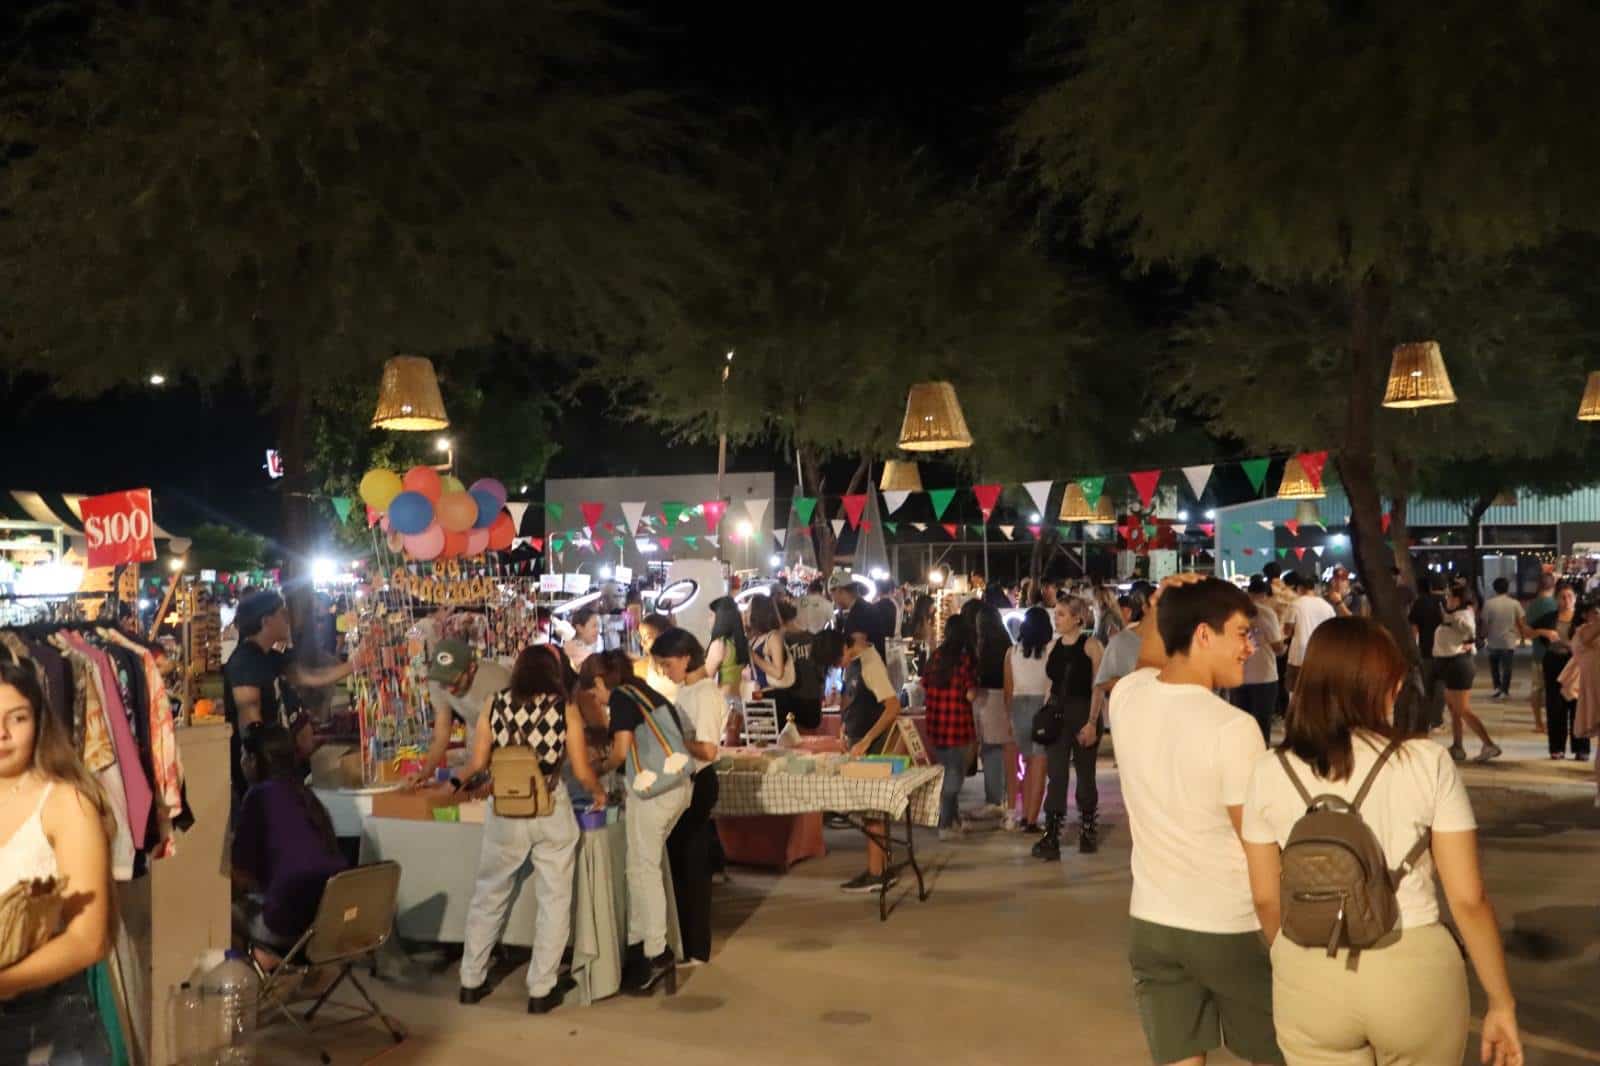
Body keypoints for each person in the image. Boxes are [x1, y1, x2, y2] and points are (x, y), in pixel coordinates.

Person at [1241, 617, 1523, 1066]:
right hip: (1410, 964)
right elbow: (1468, 899)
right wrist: (1501, 1002)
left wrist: (1297, 960)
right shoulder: (1425, 762)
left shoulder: (1268, 770)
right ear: (1383, 685)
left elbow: (1264, 898)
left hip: (1307, 969)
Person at [1115, 576, 1281, 1066]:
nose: (1250, 648)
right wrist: (1282, 938)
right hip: (1229, 927)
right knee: (1278, 1054)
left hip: (1153, 924)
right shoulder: (1233, 728)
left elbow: (1148, 657)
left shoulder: (1129, 697)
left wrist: (1161, 603)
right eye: (1242, 634)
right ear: (1204, 635)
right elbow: (1259, 850)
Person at [457, 645, 604, 1014]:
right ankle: (541, 988)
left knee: (489, 894)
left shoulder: (494, 703)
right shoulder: (564, 708)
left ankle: (470, 980)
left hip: (504, 809)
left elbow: (476, 762)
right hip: (549, 807)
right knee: (554, 900)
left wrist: (453, 785)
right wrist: (599, 792)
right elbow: (583, 771)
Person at [0, 661, 116, 1063]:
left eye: (17, 717)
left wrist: (4, 981)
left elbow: (90, 939)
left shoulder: (66, 803)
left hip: (50, 1021)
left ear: (39, 722)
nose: (2, 734)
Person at [589, 650, 701, 994]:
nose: (594, 697)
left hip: (654, 792)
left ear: (599, 680)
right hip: (678, 785)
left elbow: (621, 752)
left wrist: (595, 771)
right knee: (639, 866)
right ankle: (641, 947)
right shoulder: (643, 692)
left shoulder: (623, 696)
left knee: (644, 868)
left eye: (593, 690)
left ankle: (655, 952)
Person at [232, 723, 348, 965]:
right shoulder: (307, 795)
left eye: (243, 755)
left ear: (254, 760)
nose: (241, 762)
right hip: (329, 923)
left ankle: (261, 972)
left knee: (222, 911)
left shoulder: (257, 798)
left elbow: (240, 877)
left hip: (286, 925)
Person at [223, 590, 352, 796]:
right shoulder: (245, 661)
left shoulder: (269, 656)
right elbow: (249, 716)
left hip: (280, 765)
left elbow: (310, 676)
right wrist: (264, 763)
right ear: (266, 621)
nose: (287, 620)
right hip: (265, 771)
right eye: (282, 615)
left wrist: (357, 663)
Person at [650, 629, 726, 967]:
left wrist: (671, 740)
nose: (666, 671)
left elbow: (708, 748)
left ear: (685, 657)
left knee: (692, 866)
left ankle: (697, 948)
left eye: (667, 664)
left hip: (699, 780)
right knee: (682, 862)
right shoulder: (688, 691)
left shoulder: (705, 694)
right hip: (687, 779)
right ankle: (687, 944)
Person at [813, 628, 902, 892]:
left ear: (844, 648)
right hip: (861, 743)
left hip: (874, 747)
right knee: (870, 810)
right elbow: (851, 699)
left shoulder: (869, 663)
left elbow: (893, 706)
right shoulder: (854, 662)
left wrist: (866, 739)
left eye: (834, 660)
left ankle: (878, 874)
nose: (836, 666)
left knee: (872, 809)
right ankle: (880, 868)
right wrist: (845, 730)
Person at [1036, 597, 1105, 860]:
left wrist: (1092, 721)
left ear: (1077, 618)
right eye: (1056, 614)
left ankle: (1088, 829)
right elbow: (1050, 684)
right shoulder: (1052, 646)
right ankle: (1052, 833)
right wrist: (1045, 712)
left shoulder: (1091, 646)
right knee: (1056, 774)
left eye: (1062, 614)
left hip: (1082, 711)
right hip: (1057, 714)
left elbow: (1097, 686)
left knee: (1086, 774)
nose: (1057, 618)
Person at [408, 638, 514, 788]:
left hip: (508, 749)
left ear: (471, 668)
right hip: (477, 748)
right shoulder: (438, 683)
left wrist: (458, 780)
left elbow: (509, 736)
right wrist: (425, 772)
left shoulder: (496, 681)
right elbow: (441, 733)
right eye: (444, 682)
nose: (449, 689)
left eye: (455, 681)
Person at [922, 617, 979, 840]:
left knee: (948, 771)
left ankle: (953, 820)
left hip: (936, 724)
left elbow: (924, 684)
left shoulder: (935, 656)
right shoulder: (965, 660)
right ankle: (944, 824)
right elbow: (970, 694)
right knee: (954, 776)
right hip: (957, 725)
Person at [1437, 581, 1500, 763]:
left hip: (1459, 665)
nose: (1447, 599)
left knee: (1462, 709)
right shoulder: (1455, 614)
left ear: (1457, 599)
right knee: (1454, 708)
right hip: (1451, 664)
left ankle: (1489, 744)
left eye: (1449, 596)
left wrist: (1469, 638)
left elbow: (1469, 629)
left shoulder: (1462, 615)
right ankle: (1458, 746)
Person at [1005, 607, 1055, 832]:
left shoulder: (1011, 652)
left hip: (1017, 708)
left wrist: (1009, 719)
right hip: (1040, 708)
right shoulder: (1050, 650)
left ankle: (1024, 814)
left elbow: (1008, 689)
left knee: (1026, 764)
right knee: (1039, 766)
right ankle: (1032, 820)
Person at [966, 602, 1014, 821]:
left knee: (990, 749)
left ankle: (995, 799)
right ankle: (1002, 797)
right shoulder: (1006, 644)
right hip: (1004, 698)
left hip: (987, 699)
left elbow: (978, 677)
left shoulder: (982, 647)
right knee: (1001, 750)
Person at [1532, 584, 1591, 761]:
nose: (1566, 601)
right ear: (1557, 599)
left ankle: (1581, 747)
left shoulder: (1582, 620)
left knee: (1578, 705)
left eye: (1570, 597)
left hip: (1576, 664)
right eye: (1563, 597)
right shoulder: (1550, 617)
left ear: (1575, 598)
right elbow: (1528, 630)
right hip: (1554, 662)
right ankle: (1556, 748)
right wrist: (1544, 632)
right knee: (1555, 706)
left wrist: (1570, 645)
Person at [1231, 576, 1286, 744]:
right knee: (1262, 724)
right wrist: (1284, 649)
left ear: (1248, 592)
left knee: (1241, 723)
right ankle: (1260, 759)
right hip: (1264, 677)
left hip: (1239, 676)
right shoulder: (1267, 613)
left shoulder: (1234, 612)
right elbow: (1277, 647)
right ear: (1264, 594)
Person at [1284, 574, 1335, 695]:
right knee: (1318, 691)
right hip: (1322, 654)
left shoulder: (1295, 604)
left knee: (1295, 690)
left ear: (1299, 588)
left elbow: (1287, 630)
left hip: (1299, 655)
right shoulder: (1327, 606)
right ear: (1314, 588)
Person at [1524, 572, 1558, 733]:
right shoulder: (1556, 605)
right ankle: (1553, 721)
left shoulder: (1533, 605)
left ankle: (1538, 723)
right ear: (1553, 585)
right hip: (1556, 654)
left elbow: (1527, 631)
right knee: (1555, 691)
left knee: (1537, 689)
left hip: (1538, 653)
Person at [1481, 577, 1525, 700]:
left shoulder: (1488, 604)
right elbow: (1520, 623)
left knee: (1494, 667)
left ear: (1495, 589)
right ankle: (1505, 690)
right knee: (1507, 667)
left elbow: (1485, 623)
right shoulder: (1514, 603)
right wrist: (1522, 637)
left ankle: (1497, 687)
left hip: (1493, 640)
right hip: (1508, 641)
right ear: (1507, 588)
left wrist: (1483, 636)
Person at [703, 596, 749, 702]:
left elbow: (705, 678)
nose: (708, 620)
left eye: (711, 615)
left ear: (720, 618)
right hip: (738, 699)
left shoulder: (719, 644)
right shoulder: (739, 642)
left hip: (723, 701)